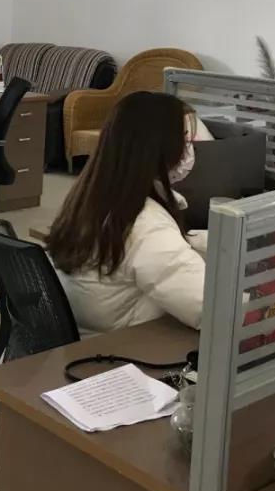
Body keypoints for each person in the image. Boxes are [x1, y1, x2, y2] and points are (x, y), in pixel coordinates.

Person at [47, 91, 206, 334]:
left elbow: (161, 255)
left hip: (90, 335)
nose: (189, 149)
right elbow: (210, 308)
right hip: (122, 346)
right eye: (184, 139)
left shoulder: (95, 196)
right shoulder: (146, 224)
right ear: (159, 149)